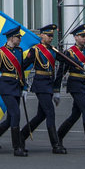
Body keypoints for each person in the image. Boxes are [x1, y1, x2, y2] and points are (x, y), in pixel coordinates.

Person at [0, 25, 29, 157]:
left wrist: (24, 87)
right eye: (18, 37)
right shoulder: (0, 53)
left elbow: (21, 71)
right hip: (6, 86)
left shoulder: (19, 51)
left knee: (10, 119)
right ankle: (17, 147)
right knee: (16, 114)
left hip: (16, 86)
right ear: (11, 38)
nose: (19, 39)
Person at [54, 23, 85, 152]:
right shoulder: (69, 53)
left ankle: (59, 135)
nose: (84, 38)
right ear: (75, 37)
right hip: (74, 84)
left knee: (75, 114)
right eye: (81, 36)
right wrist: (56, 90)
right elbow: (61, 72)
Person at [20, 23, 66, 154]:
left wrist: (81, 65)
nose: (51, 38)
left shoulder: (53, 50)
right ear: (42, 35)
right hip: (40, 84)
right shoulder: (35, 50)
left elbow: (66, 60)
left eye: (52, 36)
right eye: (49, 35)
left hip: (49, 84)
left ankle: (22, 136)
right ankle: (55, 144)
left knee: (41, 115)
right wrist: (23, 85)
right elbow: (22, 67)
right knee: (50, 112)